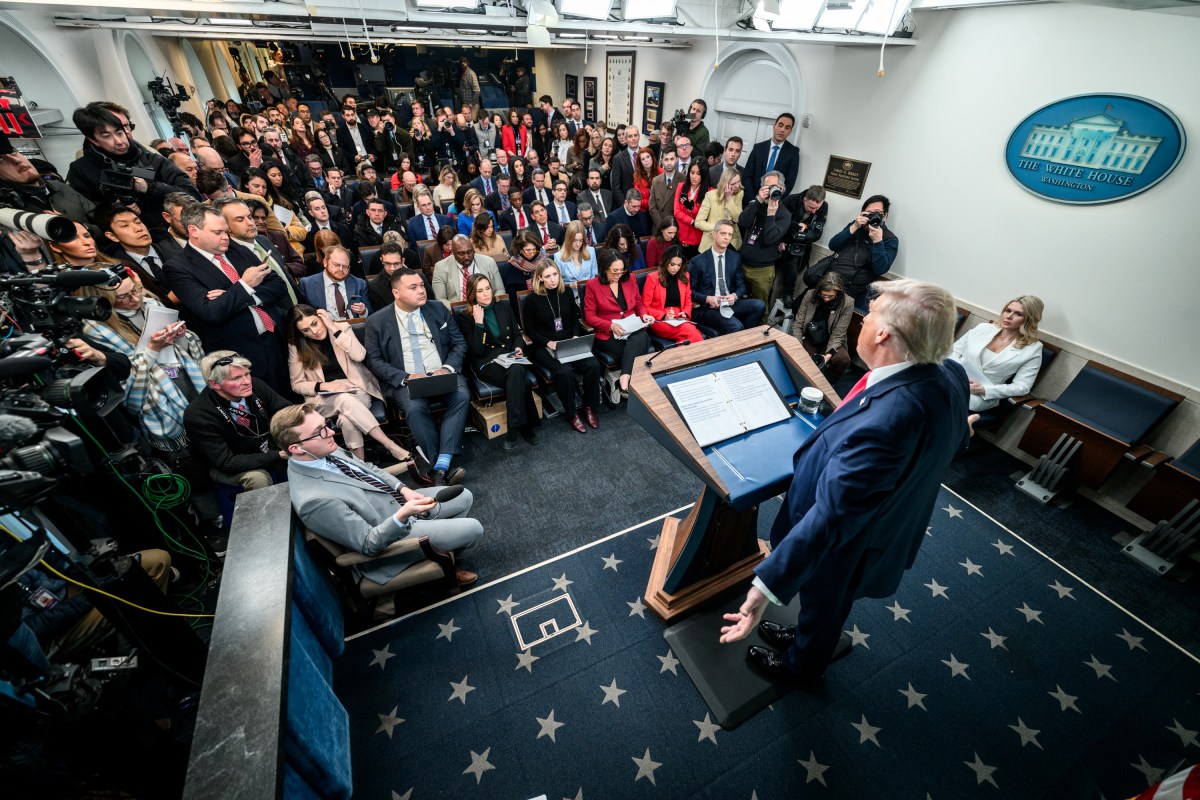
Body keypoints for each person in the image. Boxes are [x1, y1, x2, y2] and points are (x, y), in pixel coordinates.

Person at [719, 279, 971, 685]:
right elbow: (956, 436)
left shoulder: (888, 422)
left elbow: (831, 518)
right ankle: (803, 637)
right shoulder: (951, 374)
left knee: (825, 603)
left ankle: (802, 666)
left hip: (849, 543)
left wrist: (764, 589)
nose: (864, 320)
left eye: (869, 315)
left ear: (883, 333)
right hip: (887, 523)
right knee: (823, 606)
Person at [274, 404, 481, 603]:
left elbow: (369, 469)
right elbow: (367, 544)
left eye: (326, 424)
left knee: (464, 497)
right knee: (474, 529)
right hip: (391, 536)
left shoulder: (320, 449)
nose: (330, 432)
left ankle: (442, 556)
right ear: (296, 448)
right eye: (320, 431)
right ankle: (441, 563)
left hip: (397, 502)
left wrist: (404, 490)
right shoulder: (313, 500)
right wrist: (402, 516)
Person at [164, 205, 292, 393]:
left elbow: (278, 285)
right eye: (218, 232)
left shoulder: (236, 249)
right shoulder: (178, 267)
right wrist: (245, 285)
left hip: (276, 338)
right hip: (240, 354)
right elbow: (211, 311)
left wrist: (235, 295)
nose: (226, 237)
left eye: (226, 231)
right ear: (194, 231)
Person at [364, 267, 470, 486]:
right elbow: (374, 361)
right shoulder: (377, 321)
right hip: (407, 380)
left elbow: (459, 343)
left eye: (422, 285)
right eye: (413, 287)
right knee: (414, 408)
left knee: (461, 396)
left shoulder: (437, 308)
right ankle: (439, 465)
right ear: (396, 293)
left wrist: (448, 368)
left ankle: (441, 464)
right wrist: (406, 377)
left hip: (442, 373)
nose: (422, 291)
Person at [78, 271, 206, 452]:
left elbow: (185, 351)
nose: (135, 299)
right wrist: (153, 349)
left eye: (136, 289)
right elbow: (123, 380)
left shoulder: (151, 304)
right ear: (102, 300)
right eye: (123, 297)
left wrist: (180, 336)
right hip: (157, 403)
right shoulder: (96, 330)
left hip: (189, 381)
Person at [285, 305, 410, 463]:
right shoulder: (296, 346)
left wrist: (332, 328)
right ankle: (390, 445)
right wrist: (324, 386)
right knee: (344, 399)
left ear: (321, 316)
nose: (313, 331)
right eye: (306, 330)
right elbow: (297, 384)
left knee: (346, 420)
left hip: (356, 389)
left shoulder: (341, 328)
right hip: (322, 398)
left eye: (315, 323)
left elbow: (359, 355)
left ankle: (359, 466)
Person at [66, 102, 200, 231]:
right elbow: (87, 218)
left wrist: (149, 188)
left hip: (171, 231)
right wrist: (117, 210)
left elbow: (191, 195)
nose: (119, 141)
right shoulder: (81, 170)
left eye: (120, 131)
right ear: (92, 139)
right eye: (107, 136)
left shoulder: (152, 159)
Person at [455, 274, 541, 450]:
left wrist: (518, 348)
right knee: (520, 378)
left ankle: (515, 428)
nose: (486, 294)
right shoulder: (466, 316)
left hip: (510, 357)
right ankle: (523, 426)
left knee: (516, 371)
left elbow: (517, 335)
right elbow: (476, 351)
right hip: (488, 363)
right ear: (472, 294)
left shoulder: (503, 306)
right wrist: (479, 323)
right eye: (480, 290)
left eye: (488, 288)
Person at [185, 350, 292, 490]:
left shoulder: (256, 385)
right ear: (215, 384)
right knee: (258, 478)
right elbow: (226, 462)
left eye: (247, 374)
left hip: (265, 449)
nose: (247, 382)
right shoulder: (197, 414)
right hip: (228, 465)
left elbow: (289, 413)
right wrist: (278, 455)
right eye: (236, 379)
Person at [522, 261, 602, 434]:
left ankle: (589, 407)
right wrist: (547, 342)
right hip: (544, 345)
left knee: (593, 365)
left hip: (569, 341)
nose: (553, 280)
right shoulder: (532, 299)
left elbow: (575, 319)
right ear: (540, 278)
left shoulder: (565, 292)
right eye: (548, 276)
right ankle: (572, 413)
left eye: (555, 275)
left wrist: (574, 336)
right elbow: (529, 329)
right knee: (564, 372)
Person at [950, 295, 1045, 414]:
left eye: (1018, 314)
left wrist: (984, 389)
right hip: (953, 380)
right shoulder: (982, 328)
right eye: (1008, 310)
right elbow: (952, 352)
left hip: (979, 395)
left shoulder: (1033, 348)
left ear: (1029, 319)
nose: (1009, 316)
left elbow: (1022, 386)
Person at [583, 248, 654, 404]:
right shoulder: (592, 285)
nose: (618, 275)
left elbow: (639, 304)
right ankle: (633, 382)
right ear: (605, 268)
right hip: (608, 334)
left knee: (640, 336)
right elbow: (589, 317)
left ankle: (623, 379)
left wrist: (644, 315)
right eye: (615, 271)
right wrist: (610, 325)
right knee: (640, 344)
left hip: (631, 328)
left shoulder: (630, 279)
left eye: (621, 271)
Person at [806, 194, 899, 303]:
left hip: (847, 289)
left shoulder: (890, 239)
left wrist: (877, 241)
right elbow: (833, 245)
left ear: (885, 215)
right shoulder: (855, 226)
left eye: (877, 212)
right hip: (826, 278)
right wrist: (854, 226)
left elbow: (880, 269)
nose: (873, 215)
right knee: (801, 306)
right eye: (869, 212)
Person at [688, 219, 766, 335]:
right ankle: (738, 342)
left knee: (759, 305)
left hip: (729, 302)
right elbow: (689, 291)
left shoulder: (735, 257)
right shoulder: (697, 261)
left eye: (730, 234)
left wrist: (734, 296)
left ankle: (745, 338)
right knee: (737, 326)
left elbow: (741, 286)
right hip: (709, 308)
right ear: (714, 234)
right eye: (723, 233)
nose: (727, 237)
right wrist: (707, 298)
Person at [0, 131, 95, 221]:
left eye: (12, 152)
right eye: (1, 159)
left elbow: (102, 223)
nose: (16, 160)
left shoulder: (60, 187)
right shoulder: (8, 210)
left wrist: (80, 227)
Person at [737, 170, 791, 312]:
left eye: (774, 187)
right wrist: (758, 201)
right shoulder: (756, 204)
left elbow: (769, 239)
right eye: (767, 187)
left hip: (762, 270)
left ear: (782, 189)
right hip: (742, 264)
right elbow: (742, 222)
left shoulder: (784, 214)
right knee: (738, 304)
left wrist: (771, 215)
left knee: (760, 308)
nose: (770, 191)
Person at [791, 272, 854, 383]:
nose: (826, 299)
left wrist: (828, 355)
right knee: (807, 362)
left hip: (831, 338)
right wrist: (798, 345)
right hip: (810, 336)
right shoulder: (810, 295)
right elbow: (798, 323)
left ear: (838, 294)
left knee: (842, 360)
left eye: (830, 296)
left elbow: (839, 333)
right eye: (824, 295)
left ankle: (828, 383)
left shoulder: (847, 303)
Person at [642, 245, 703, 344]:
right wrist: (664, 315)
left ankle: (683, 358)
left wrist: (685, 313)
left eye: (679, 265)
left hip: (679, 318)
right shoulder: (652, 278)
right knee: (691, 331)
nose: (675, 268)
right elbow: (645, 306)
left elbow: (688, 301)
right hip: (659, 320)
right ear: (666, 262)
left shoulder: (685, 276)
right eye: (672, 264)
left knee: (685, 339)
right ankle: (702, 357)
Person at [779, 185, 828, 303]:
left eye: (817, 208)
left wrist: (808, 226)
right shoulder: (791, 200)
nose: (814, 211)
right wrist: (780, 240)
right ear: (804, 199)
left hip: (805, 244)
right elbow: (779, 222)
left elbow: (817, 233)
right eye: (811, 207)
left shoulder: (824, 206)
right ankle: (788, 293)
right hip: (785, 239)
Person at [431, 234, 507, 307]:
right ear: (452, 252)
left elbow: (499, 289)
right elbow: (440, 298)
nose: (466, 257)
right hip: (458, 313)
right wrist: (457, 310)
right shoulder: (440, 267)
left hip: (487, 307)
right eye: (461, 253)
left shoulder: (489, 262)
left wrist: (489, 306)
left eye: (469, 252)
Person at [299, 245, 370, 320]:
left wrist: (363, 312)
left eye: (345, 266)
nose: (341, 269)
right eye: (336, 265)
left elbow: (371, 314)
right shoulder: (307, 284)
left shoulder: (359, 284)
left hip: (354, 327)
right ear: (325, 262)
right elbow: (302, 316)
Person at [743, 113, 800, 200]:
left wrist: (775, 198)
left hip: (774, 201)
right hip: (752, 199)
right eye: (780, 125)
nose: (782, 130)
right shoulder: (758, 148)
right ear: (774, 126)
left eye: (787, 127)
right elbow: (747, 175)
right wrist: (752, 200)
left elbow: (789, 182)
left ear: (790, 132)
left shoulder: (793, 152)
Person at [694, 168, 744, 252]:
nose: (737, 185)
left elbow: (738, 218)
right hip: (711, 241)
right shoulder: (711, 195)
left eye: (738, 181)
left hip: (732, 242)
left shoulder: (739, 193)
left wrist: (729, 199)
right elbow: (698, 223)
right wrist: (720, 229)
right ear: (725, 184)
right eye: (733, 183)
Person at [673, 161, 709, 260]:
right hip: (680, 235)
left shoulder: (709, 191)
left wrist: (692, 208)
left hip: (697, 239)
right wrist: (692, 221)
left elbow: (705, 216)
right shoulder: (681, 186)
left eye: (698, 174)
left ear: (703, 175)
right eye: (692, 173)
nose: (694, 177)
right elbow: (676, 211)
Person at [553, 220, 597, 300]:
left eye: (580, 240)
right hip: (570, 296)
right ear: (568, 239)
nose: (578, 244)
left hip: (590, 294)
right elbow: (558, 282)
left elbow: (594, 275)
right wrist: (570, 286)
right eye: (574, 240)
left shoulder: (591, 251)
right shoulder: (558, 256)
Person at [368, 242, 409, 311]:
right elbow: (381, 315)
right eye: (387, 263)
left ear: (402, 261)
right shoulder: (374, 286)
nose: (392, 268)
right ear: (381, 260)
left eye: (396, 263)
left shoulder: (419, 278)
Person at [647, 146, 678, 231]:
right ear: (662, 161)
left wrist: (671, 226)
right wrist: (662, 226)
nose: (669, 163)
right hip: (659, 227)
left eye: (672, 159)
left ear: (676, 159)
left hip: (675, 228)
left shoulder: (683, 180)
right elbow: (652, 207)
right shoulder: (655, 181)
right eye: (666, 159)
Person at [632, 148, 660, 214]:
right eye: (643, 159)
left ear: (652, 158)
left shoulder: (662, 173)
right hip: (643, 211)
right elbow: (637, 198)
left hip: (659, 211)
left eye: (648, 157)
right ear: (640, 163)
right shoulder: (637, 176)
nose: (646, 160)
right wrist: (651, 203)